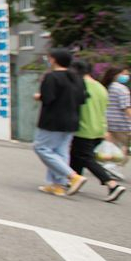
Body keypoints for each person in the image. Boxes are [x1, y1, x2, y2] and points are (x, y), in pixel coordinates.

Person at [68, 59, 126, 202]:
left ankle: (111, 184)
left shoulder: (80, 86)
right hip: (99, 128)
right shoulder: (100, 87)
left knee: (85, 157)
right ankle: (73, 181)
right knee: (77, 155)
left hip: (84, 127)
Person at [33, 49, 88, 197]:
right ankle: (58, 185)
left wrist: (39, 96)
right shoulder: (77, 78)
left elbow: (48, 98)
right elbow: (83, 99)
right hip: (72, 119)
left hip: (52, 120)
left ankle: (72, 176)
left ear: (54, 60)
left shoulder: (51, 77)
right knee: (60, 151)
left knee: (42, 148)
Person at [102, 65, 131, 167]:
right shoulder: (122, 89)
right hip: (122, 123)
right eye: (124, 74)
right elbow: (126, 107)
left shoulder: (106, 87)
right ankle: (112, 166)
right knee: (123, 146)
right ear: (116, 75)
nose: (127, 76)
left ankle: (109, 164)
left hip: (109, 121)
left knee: (114, 145)